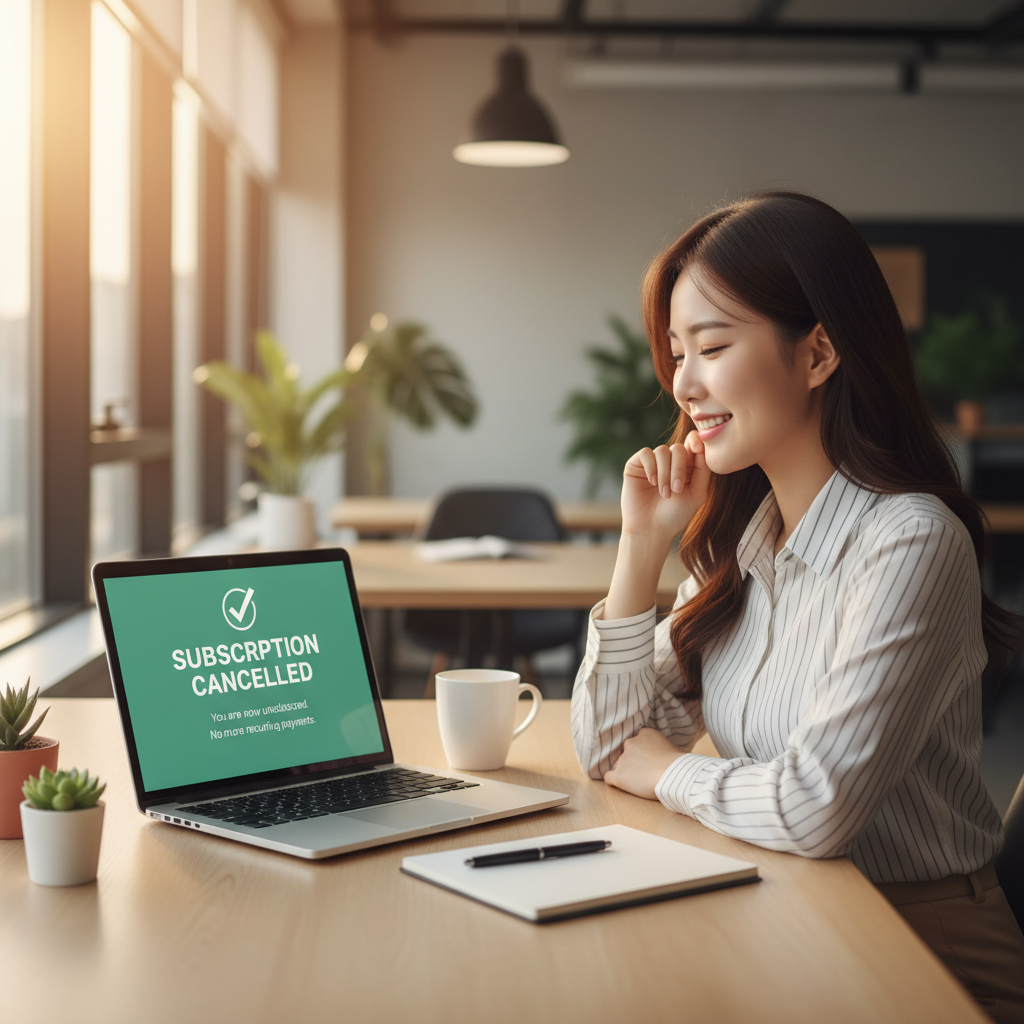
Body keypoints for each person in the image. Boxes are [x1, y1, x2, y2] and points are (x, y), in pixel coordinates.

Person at [571, 191, 1024, 1023]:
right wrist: (641, 552)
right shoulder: (749, 542)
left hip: (926, 956)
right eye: (675, 352)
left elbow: (814, 808)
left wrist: (666, 771)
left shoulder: (908, 542)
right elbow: (606, 747)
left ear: (818, 354)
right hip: (789, 918)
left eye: (711, 346)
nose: (683, 382)